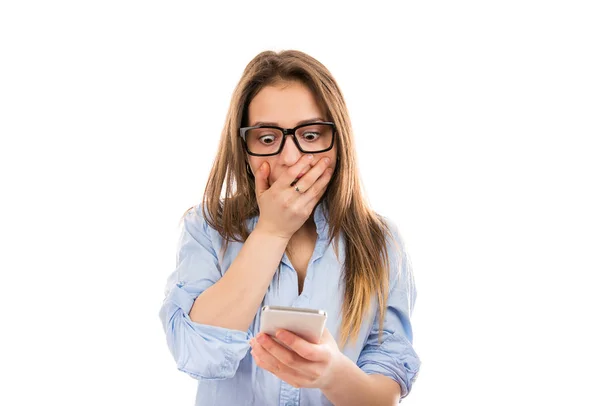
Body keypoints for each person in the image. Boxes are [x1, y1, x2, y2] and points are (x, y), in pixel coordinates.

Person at [159, 50, 421, 406]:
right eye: (267, 139)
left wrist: (332, 374)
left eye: (311, 135)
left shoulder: (380, 243)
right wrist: (272, 232)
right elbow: (196, 351)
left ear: (338, 141)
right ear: (245, 149)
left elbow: (384, 392)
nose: (289, 158)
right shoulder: (207, 229)